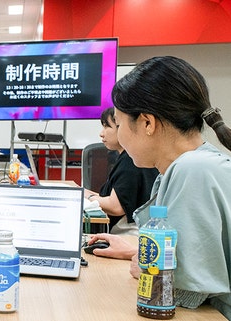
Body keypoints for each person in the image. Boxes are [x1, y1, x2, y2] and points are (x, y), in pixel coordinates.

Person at [87, 56, 231, 318]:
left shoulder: (193, 171)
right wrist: (135, 249)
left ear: (147, 123)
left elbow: (185, 293)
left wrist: (147, 267)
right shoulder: (192, 164)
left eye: (119, 124)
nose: (118, 134)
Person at [84, 107, 158, 235]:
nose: (102, 133)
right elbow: (115, 196)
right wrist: (83, 192)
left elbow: (115, 207)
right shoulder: (131, 156)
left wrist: (87, 197)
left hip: (129, 236)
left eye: (108, 127)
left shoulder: (131, 159)